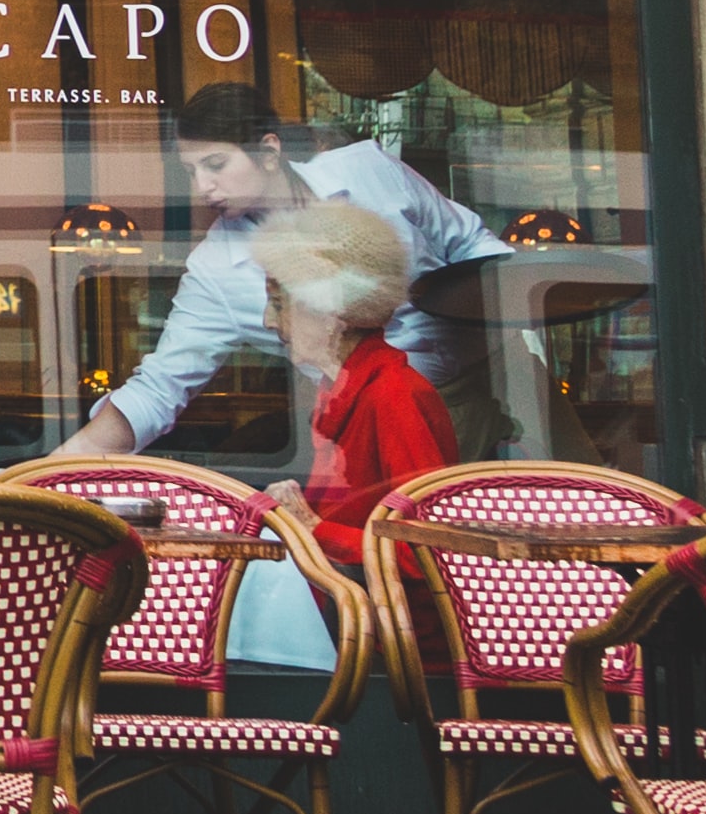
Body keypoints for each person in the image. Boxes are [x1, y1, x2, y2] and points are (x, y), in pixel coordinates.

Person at [53, 81, 508, 459]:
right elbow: (157, 390)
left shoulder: (370, 170)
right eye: (191, 172)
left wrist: (518, 345)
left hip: (498, 380)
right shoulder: (215, 270)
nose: (203, 186)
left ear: (269, 151)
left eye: (215, 165)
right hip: (370, 429)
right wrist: (42, 480)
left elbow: (472, 245)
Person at [248, 198, 460, 566]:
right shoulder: (340, 390)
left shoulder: (392, 396)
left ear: (332, 311)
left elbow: (429, 554)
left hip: (380, 621)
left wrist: (313, 527)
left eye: (280, 304)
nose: (268, 321)